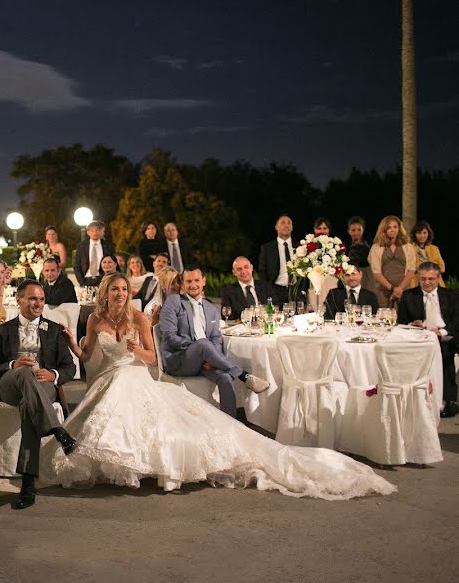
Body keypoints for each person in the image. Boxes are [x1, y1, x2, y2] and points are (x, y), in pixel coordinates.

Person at [39, 273, 396, 500]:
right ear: (105, 292)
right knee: (103, 410)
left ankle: (146, 466)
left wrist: (137, 350)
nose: (119, 293)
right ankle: (117, 467)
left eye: (123, 288)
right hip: (109, 377)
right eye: (113, 289)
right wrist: (71, 341)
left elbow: (152, 358)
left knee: (154, 413)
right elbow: (86, 358)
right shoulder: (95, 319)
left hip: (135, 375)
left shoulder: (139, 317)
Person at [0, 279, 77, 509]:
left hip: (41, 385)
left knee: (29, 405)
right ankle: (57, 430)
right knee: (24, 372)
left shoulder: (53, 330)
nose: (38, 304)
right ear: (19, 299)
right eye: (33, 298)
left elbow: (69, 367)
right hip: (10, 385)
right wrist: (13, 364)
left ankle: (27, 483)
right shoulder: (4, 330)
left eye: (42, 299)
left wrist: (53, 374)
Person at [159, 265, 270, 418]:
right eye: (188, 281)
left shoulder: (210, 308)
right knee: (204, 343)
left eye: (197, 280)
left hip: (204, 360)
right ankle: (243, 376)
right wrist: (201, 350)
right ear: (183, 284)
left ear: (203, 281)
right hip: (179, 360)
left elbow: (216, 337)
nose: (193, 285)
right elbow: (170, 337)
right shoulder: (174, 302)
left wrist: (212, 355)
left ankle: (231, 425)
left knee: (225, 378)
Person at [397, 261, 458, 418]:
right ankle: (417, 397)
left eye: (431, 279)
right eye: (423, 279)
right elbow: (401, 322)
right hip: (419, 337)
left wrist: (442, 331)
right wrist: (413, 324)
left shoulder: (451, 295)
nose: (427, 282)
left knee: (444, 348)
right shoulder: (409, 295)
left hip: (445, 336)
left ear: (438, 278)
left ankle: (445, 398)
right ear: (418, 278)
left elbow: (456, 321)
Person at [368, 215, 416, 309]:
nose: (392, 230)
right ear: (384, 230)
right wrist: (392, 288)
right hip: (383, 291)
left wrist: (399, 289)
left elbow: (411, 270)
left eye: (395, 227)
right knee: (385, 319)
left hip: (403, 289)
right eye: (389, 227)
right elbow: (376, 272)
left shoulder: (408, 247)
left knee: (403, 318)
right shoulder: (376, 248)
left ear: (399, 229)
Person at [258, 214, 297, 305]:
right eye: (283, 223)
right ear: (276, 227)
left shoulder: (300, 247)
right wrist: (267, 290)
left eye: (289, 223)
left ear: (292, 227)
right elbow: (262, 271)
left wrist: (302, 289)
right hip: (275, 291)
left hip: (295, 291)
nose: (286, 225)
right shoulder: (267, 248)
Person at [74, 221, 115, 288]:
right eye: (92, 231)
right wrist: (81, 281)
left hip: (103, 279)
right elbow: (77, 265)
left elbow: (113, 263)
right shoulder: (82, 246)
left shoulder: (108, 246)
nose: (95, 233)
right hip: (86, 279)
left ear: (100, 232)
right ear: (88, 232)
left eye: (97, 230)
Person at [409, 221, 445, 288]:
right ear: (414, 235)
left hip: (434, 283)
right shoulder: (410, 249)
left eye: (424, 233)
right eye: (419, 233)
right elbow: (409, 268)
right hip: (416, 283)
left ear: (428, 234)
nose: (422, 236)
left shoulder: (434, 249)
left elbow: (442, 268)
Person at [346, 216, 374, 291]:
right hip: (350, 275)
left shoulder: (369, 244)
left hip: (367, 275)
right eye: (353, 230)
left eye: (359, 230)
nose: (356, 233)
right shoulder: (345, 246)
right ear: (349, 231)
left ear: (363, 230)